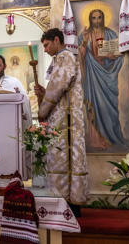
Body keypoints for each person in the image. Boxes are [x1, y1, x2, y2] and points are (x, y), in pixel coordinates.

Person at [34, 28, 89, 217]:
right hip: (64, 117)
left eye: (47, 45)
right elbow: (57, 87)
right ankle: (65, 201)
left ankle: (66, 202)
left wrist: (42, 110)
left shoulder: (65, 57)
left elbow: (58, 87)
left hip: (66, 121)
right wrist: (43, 92)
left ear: (57, 40)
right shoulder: (60, 59)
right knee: (62, 158)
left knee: (64, 158)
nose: (46, 50)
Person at [78, 8, 124, 150]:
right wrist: (85, 41)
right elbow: (81, 56)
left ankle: (112, 137)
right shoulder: (85, 34)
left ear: (103, 18)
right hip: (92, 75)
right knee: (95, 106)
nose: (97, 21)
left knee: (110, 107)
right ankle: (96, 141)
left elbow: (119, 55)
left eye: (99, 17)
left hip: (107, 74)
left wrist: (113, 56)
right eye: (94, 18)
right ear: (90, 19)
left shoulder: (111, 34)